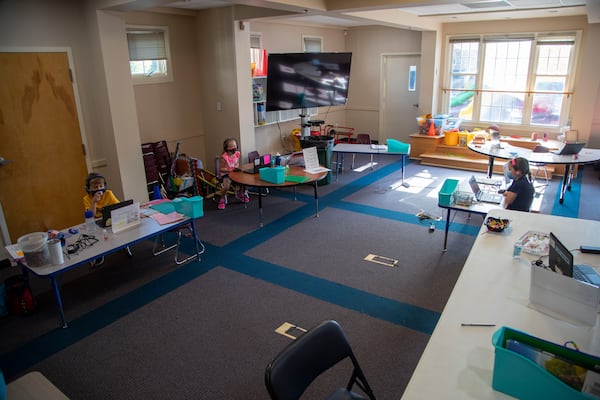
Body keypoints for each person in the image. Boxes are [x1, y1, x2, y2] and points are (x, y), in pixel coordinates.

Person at [217, 138, 249, 210]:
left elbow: (236, 163)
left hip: (234, 172)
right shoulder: (224, 157)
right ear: (226, 148)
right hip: (226, 173)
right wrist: (230, 169)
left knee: (245, 179)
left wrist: (236, 167)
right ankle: (222, 198)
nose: (233, 148)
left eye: (234, 146)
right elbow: (221, 169)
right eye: (231, 147)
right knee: (226, 186)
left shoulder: (237, 154)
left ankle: (241, 193)